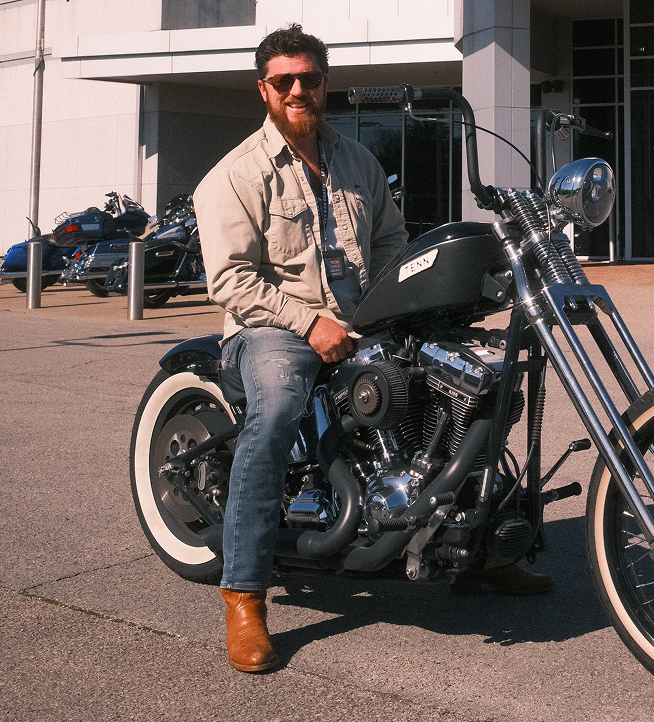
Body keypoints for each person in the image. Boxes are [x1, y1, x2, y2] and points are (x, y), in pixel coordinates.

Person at [195, 24, 552, 674]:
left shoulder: (356, 162)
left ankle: (480, 549)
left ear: (325, 84)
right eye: (284, 80)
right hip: (272, 329)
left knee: (463, 385)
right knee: (275, 410)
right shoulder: (237, 175)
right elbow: (232, 282)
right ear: (265, 89)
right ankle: (244, 592)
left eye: (309, 78)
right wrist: (309, 326)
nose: (298, 89)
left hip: (361, 321)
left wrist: (400, 305)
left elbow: (391, 242)